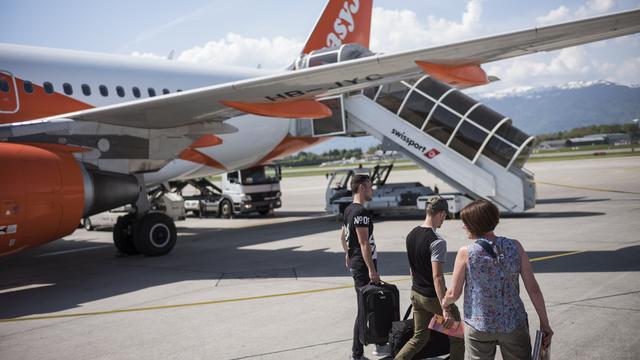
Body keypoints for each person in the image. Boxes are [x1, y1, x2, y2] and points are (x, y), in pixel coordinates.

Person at [442, 200, 554, 360]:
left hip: (479, 325)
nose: (463, 226)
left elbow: (454, 293)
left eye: (466, 223)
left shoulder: (466, 252)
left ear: (476, 224)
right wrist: (545, 323)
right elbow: (533, 288)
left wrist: (445, 303)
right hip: (513, 323)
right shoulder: (515, 246)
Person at [395, 196, 464, 360]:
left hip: (416, 295)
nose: (443, 220)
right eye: (445, 216)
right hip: (432, 298)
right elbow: (438, 277)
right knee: (458, 337)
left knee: (419, 337)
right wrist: (445, 308)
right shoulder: (437, 241)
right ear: (441, 214)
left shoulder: (411, 234)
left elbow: (412, 269)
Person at [340, 173, 388, 360]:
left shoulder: (349, 209)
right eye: (369, 186)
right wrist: (372, 270)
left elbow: (342, 235)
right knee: (364, 309)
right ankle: (357, 354)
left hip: (358, 263)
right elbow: (363, 243)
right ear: (361, 188)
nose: (372, 189)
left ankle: (379, 345)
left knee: (372, 306)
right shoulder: (360, 213)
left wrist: (347, 253)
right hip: (363, 266)